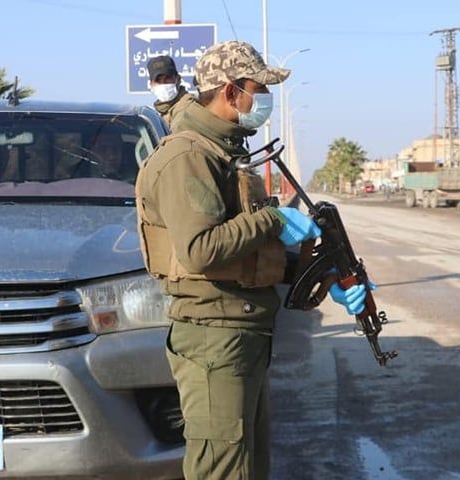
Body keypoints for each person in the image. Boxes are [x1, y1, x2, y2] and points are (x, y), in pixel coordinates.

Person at [136, 40, 368, 480]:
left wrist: (323, 273)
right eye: (258, 89)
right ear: (229, 91)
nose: (264, 100)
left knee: (248, 468)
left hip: (240, 333)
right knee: (223, 471)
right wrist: (273, 221)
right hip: (214, 339)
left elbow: (246, 256)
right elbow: (201, 249)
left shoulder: (223, 153)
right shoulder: (189, 157)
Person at [146, 55, 195, 130]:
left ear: (178, 79)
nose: (163, 83)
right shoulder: (157, 115)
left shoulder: (188, 108)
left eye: (167, 79)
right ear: (151, 84)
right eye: (158, 80)